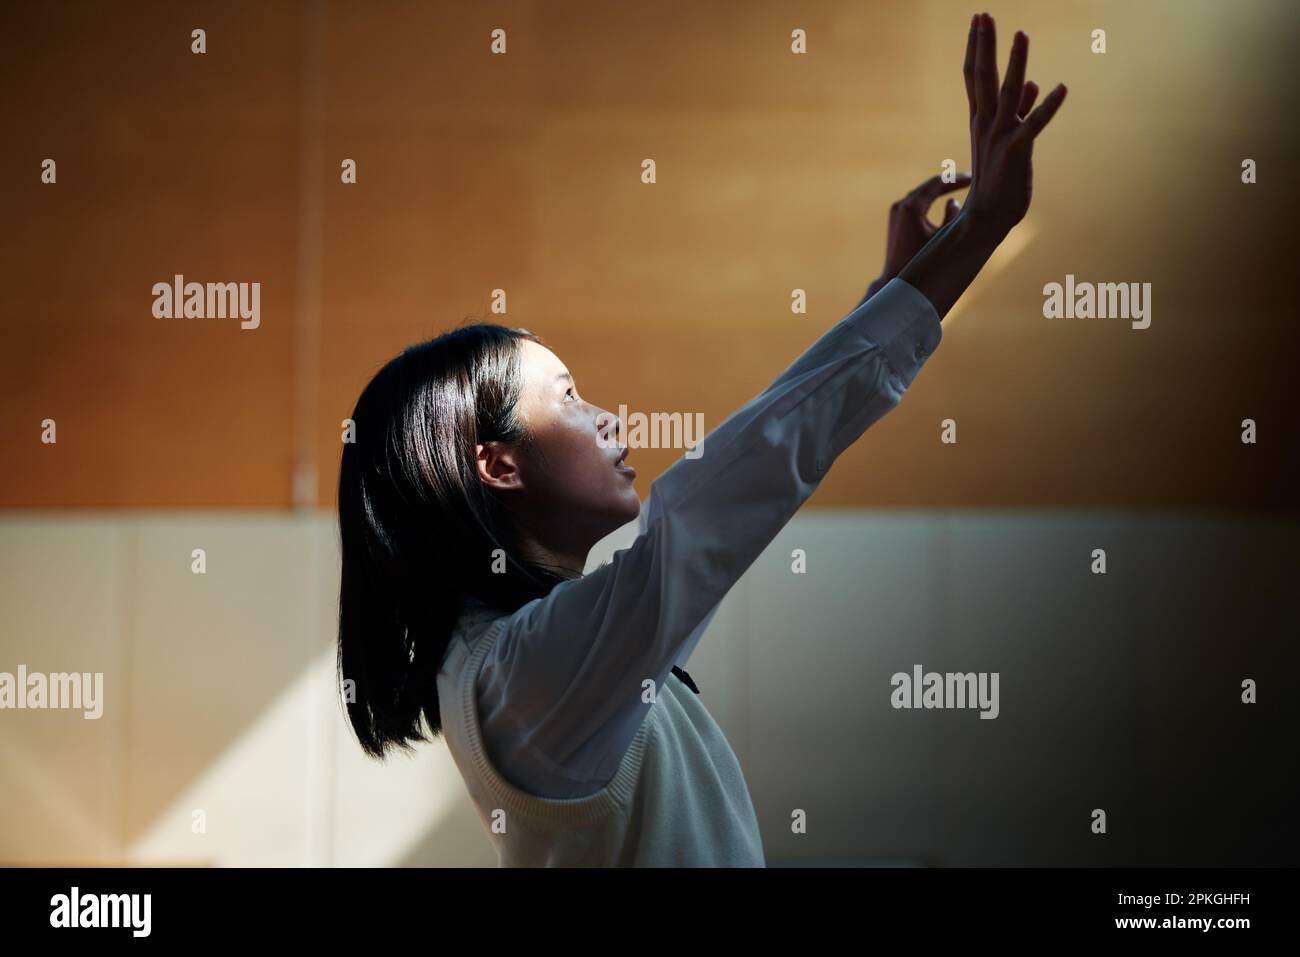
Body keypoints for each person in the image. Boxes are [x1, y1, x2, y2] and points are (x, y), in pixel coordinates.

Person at [335, 13, 1066, 866]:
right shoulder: (527, 678)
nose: (608, 416)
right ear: (494, 463)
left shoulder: (544, 655)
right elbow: (726, 492)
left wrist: (891, 292)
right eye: (568, 397)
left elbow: (741, 482)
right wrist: (974, 236)